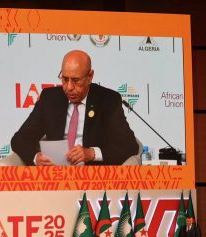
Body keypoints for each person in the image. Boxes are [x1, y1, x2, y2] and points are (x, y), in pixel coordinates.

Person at [10, 50, 138, 166]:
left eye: (76, 80)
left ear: (89, 77)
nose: (69, 87)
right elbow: (20, 139)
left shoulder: (108, 100)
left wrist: (92, 153)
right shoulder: (49, 99)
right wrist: (36, 157)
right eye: (65, 79)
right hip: (55, 174)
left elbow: (129, 145)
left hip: (91, 177)